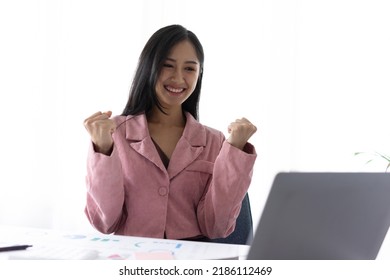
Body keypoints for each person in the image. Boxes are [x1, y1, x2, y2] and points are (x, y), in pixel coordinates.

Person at [83, 24, 257, 241]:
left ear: (199, 74)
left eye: (189, 68)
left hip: (193, 261)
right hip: (133, 260)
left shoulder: (215, 141)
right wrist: (102, 149)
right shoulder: (113, 133)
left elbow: (216, 226)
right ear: (149, 67)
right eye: (168, 65)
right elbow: (105, 222)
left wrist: (236, 151)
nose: (178, 77)